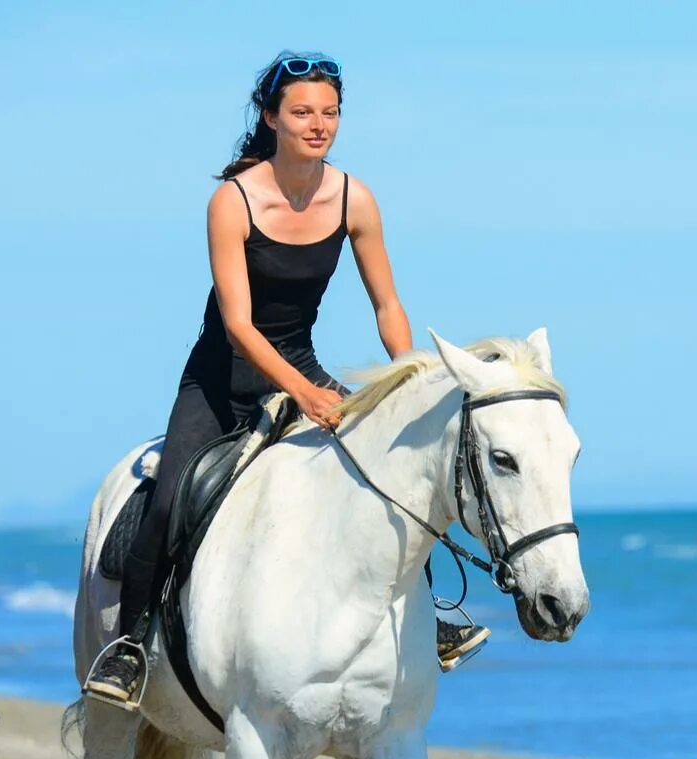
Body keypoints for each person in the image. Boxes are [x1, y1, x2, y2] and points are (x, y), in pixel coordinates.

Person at [86, 51, 486, 705]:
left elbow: (387, 303)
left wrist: (408, 377)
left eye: (329, 113)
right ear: (271, 117)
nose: (318, 124)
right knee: (169, 500)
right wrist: (301, 394)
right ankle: (129, 648)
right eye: (302, 112)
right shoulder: (234, 200)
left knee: (394, 467)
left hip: (300, 363)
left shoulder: (354, 198)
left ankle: (431, 618)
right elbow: (240, 325)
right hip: (221, 377)